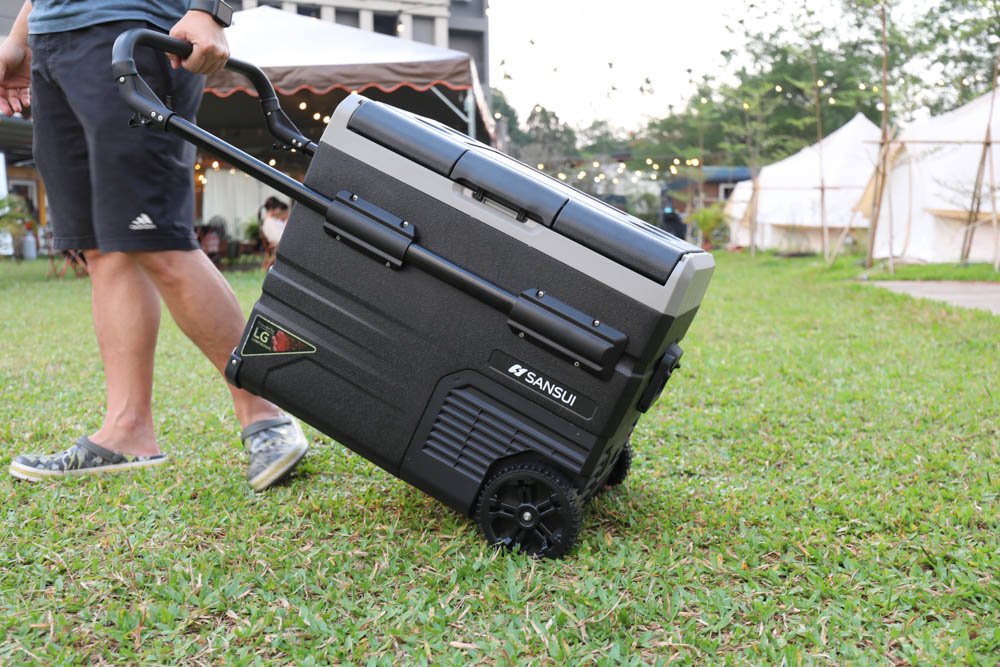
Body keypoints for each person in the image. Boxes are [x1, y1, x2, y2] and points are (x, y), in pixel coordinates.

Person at [1, 0, 309, 490]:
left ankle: (265, 412)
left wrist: (212, 11)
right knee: (103, 249)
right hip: (51, 45)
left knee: (157, 239)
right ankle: (127, 431)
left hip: (132, 29)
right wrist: (20, 38)